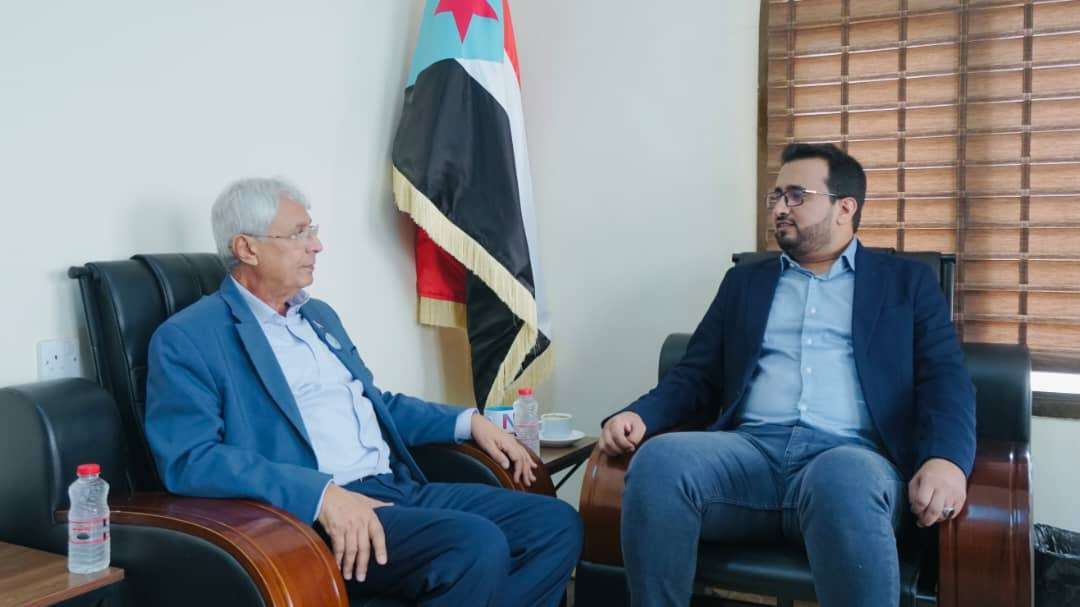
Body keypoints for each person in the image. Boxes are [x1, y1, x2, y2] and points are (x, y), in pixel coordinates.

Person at [145, 177, 581, 607]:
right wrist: (320, 494)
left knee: (555, 524)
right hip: (313, 515)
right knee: (475, 544)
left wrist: (469, 422)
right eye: (299, 234)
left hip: (395, 487)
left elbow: (375, 404)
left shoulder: (319, 317)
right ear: (246, 248)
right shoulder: (190, 337)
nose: (317, 246)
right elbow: (190, 458)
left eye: (312, 231)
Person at [600, 143, 975, 607]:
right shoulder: (745, 283)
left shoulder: (906, 283)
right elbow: (695, 374)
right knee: (659, 461)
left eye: (796, 195)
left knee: (841, 476)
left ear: (845, 207)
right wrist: (640, 415)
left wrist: (946, 459)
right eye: (775, 196)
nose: (779, 207)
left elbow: (945, 380)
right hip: (749, 455)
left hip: (851, 458)